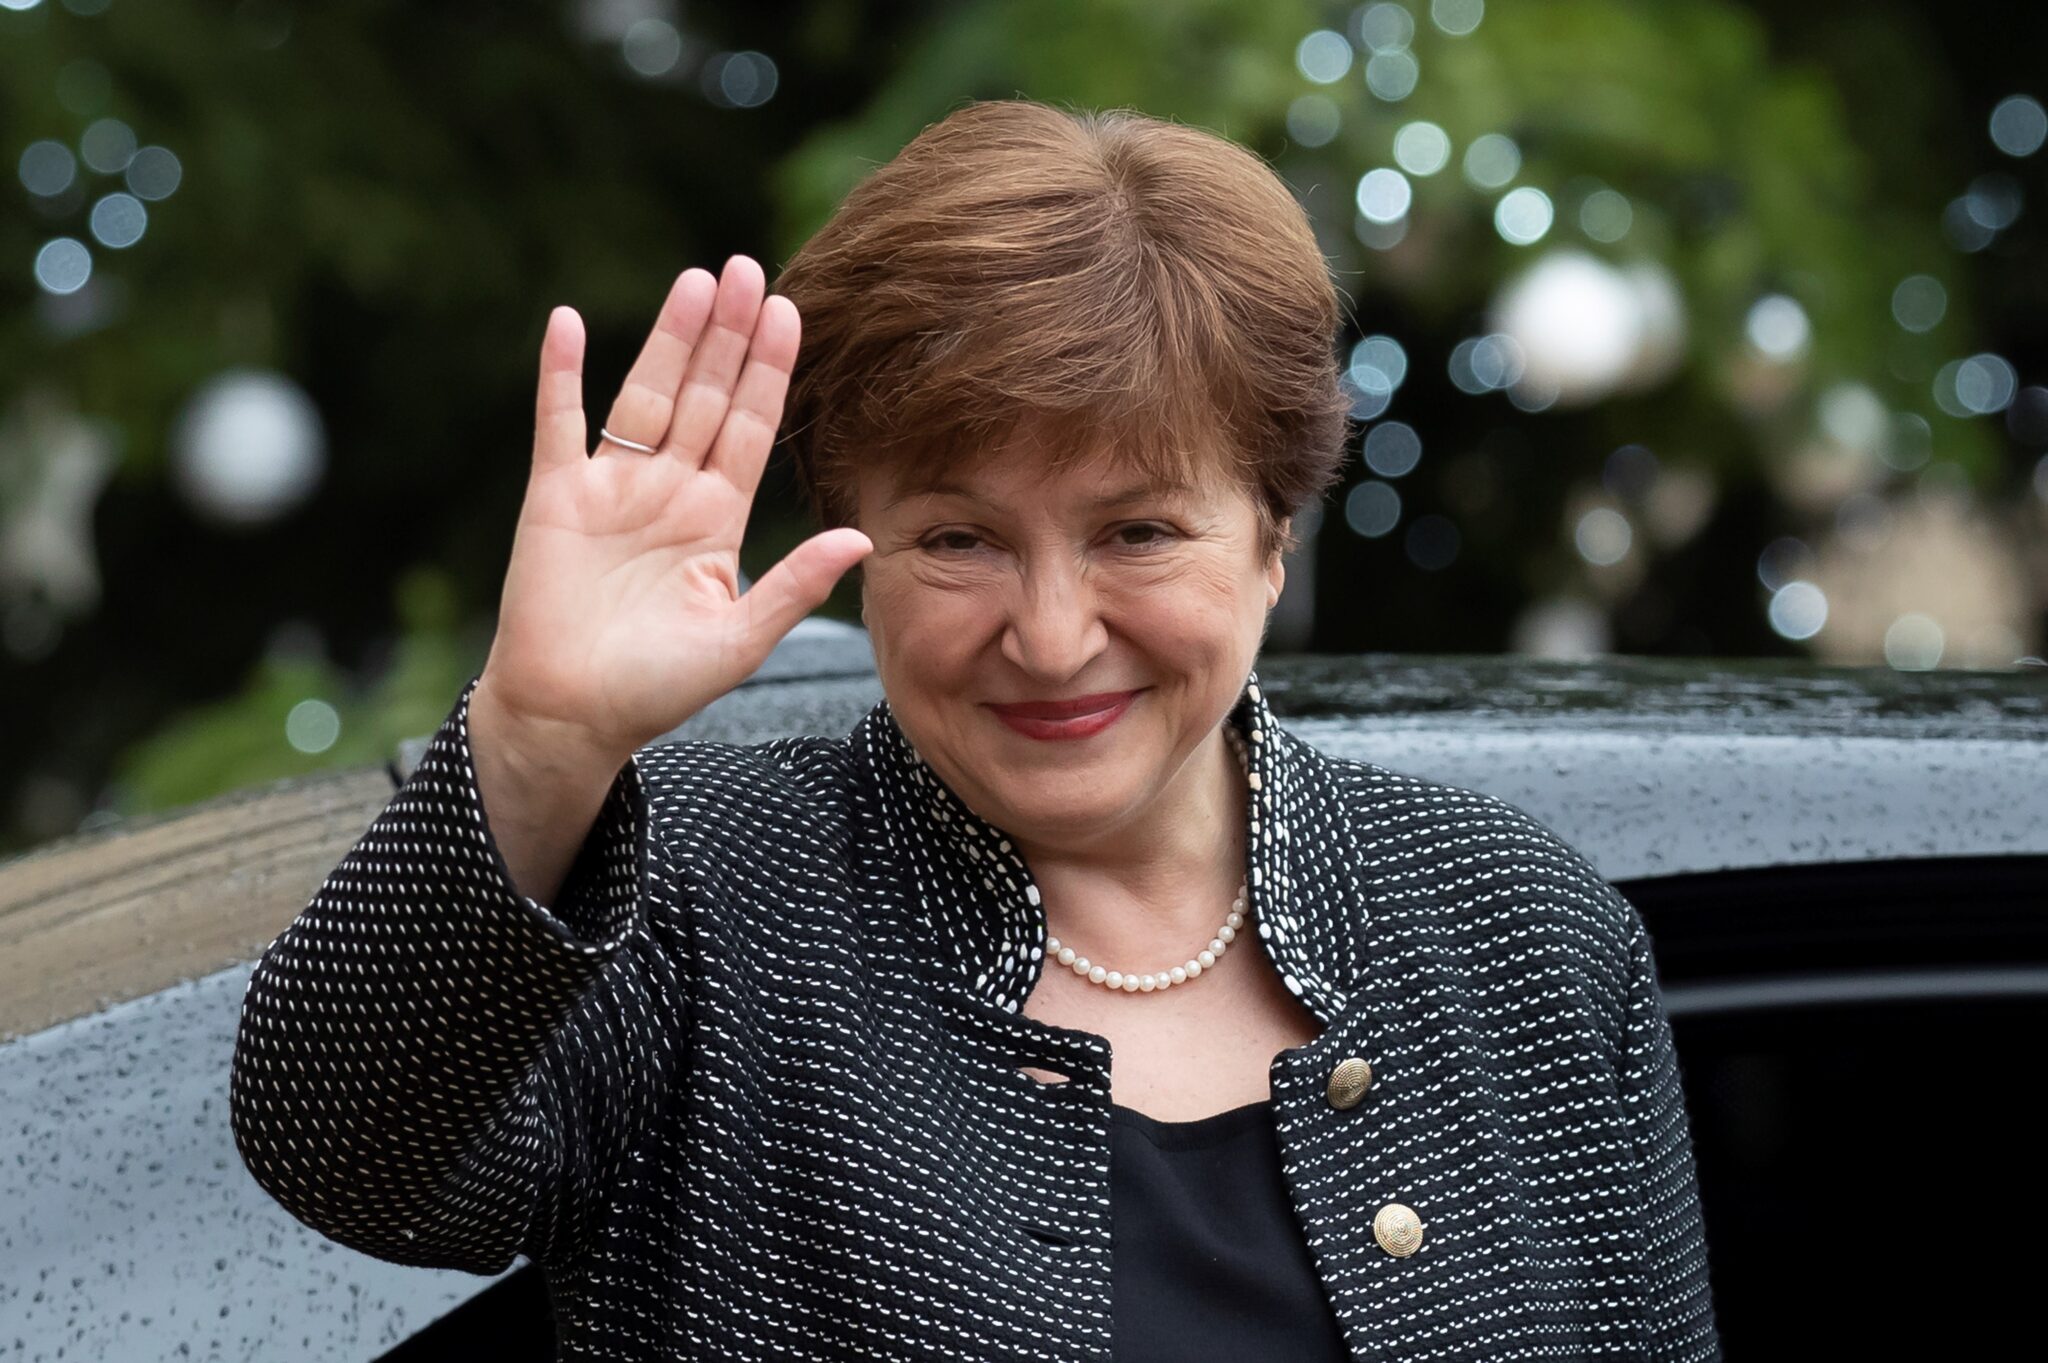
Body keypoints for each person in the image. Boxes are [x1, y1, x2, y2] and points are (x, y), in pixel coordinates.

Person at [229, 99, 1721, 1361]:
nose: (1054, 635)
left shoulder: (1526, 933)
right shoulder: (702, 890)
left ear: (1275, 538)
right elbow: (342, 1151)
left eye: (1138, 531)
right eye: (959, 540)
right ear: (852, 543)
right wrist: (542, 736)